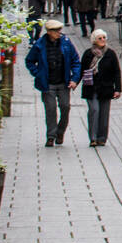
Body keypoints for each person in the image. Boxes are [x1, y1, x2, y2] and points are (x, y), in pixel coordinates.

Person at [24, 19, 81, 147]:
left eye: (59, 31)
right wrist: (38, 73)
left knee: (65, 107)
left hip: (63, 82)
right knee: (50, 109)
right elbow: (29, 61)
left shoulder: (66, 43)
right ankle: (51, 136)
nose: (59, 33)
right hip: (47, 83)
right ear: (49, 32)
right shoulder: (40, 44)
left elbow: (75, 61)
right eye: (56, 31)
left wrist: (74, 79)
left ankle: (60, 132)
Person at [80, 28, 122, 147]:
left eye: (104, 38)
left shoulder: (110, 53)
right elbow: (81, 69)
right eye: (100, 38)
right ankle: (93, 137)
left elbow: (116, 71)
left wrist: (118, 89)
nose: (103, 40)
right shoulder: (88, 54)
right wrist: (74, 82)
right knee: (94, 110)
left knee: (104, 113)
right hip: (91, 87)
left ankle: (102, 138)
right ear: (94, 40)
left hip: (106, 87)